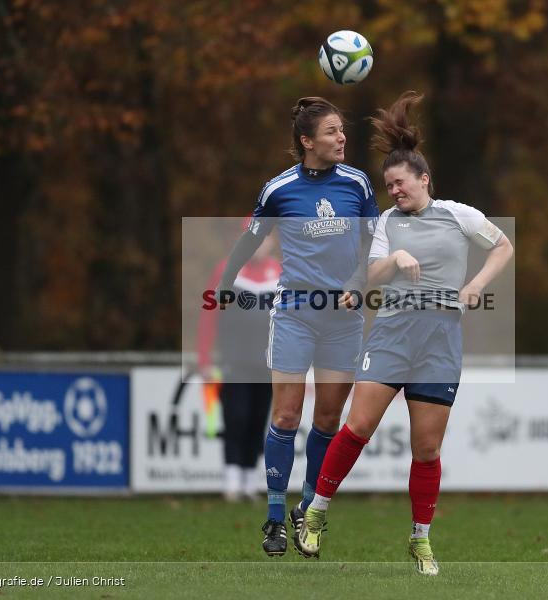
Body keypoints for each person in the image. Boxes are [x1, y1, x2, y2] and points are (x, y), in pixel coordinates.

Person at [295, 91, 514, 575]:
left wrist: (476, 285)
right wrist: (394, 257)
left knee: (427, 449)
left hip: (440, 341)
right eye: (388, 185)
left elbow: (503, 246)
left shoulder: (459, 215)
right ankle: (315, 514)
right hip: (392, 335)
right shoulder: (386, 224)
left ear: (423, 180)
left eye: (400, 183)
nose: (394, 191)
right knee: (357, 427)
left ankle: (420, 540)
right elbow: (369, 275)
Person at [213, 97, 379, 556]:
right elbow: (250, 239)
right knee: (286, 416)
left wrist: (358, 283)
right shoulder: (278, 189)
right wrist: (225, 284)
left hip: (344, 320)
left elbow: (375, 244)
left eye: (342, 129)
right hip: (294, 314)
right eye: (331, 131)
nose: (341, 138)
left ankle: (306, 509)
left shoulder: (358, 184)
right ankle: (273, 518)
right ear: (307, 141)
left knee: (327, 419)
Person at [197, 224, 281, 502]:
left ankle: (249, 479)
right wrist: (204, 358)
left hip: (267, 362)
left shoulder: (279, 273)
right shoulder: (226, 270)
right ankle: (231, 478)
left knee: (259, 418)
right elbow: (209, 317)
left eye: (263, 239)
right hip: (234, 358)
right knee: (236, 416)